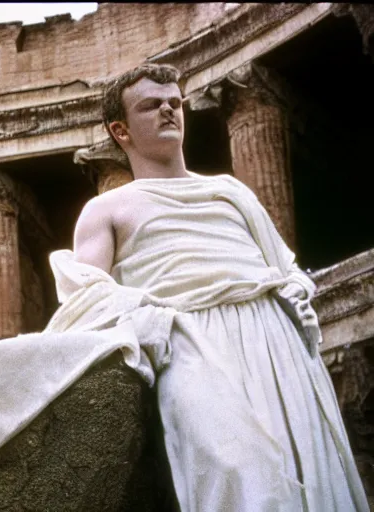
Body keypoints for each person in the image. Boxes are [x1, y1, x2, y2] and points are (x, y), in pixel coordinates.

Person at [69, 63, 368, 511]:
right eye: (151, 106)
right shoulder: (105, 209)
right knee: (238, 471)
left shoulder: (231, 191)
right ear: (121, 130)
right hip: (187, 342)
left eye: (175, 102)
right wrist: (149, 323)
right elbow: (86, 299)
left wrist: (294, 298)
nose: (169, 111)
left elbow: (282, 267)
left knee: (309, 472)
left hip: (271, 339)